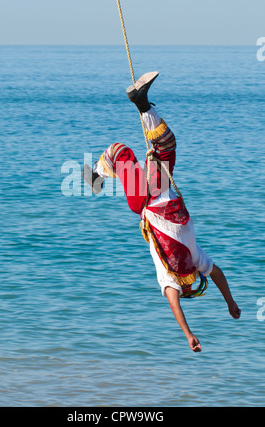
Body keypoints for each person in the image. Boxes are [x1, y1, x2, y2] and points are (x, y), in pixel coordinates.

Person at [83, 71, 241, 352]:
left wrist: (188, 334)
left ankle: (95, 176)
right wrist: (229, 301)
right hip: (162, 188)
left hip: (145, 201)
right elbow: (218, 274)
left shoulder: (170, 275)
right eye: (195, 280)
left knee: (120, 152)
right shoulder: (196, 260)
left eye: (192, 283)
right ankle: (142, 103)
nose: (193, 278)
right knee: (166, 146)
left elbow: (173, 300)